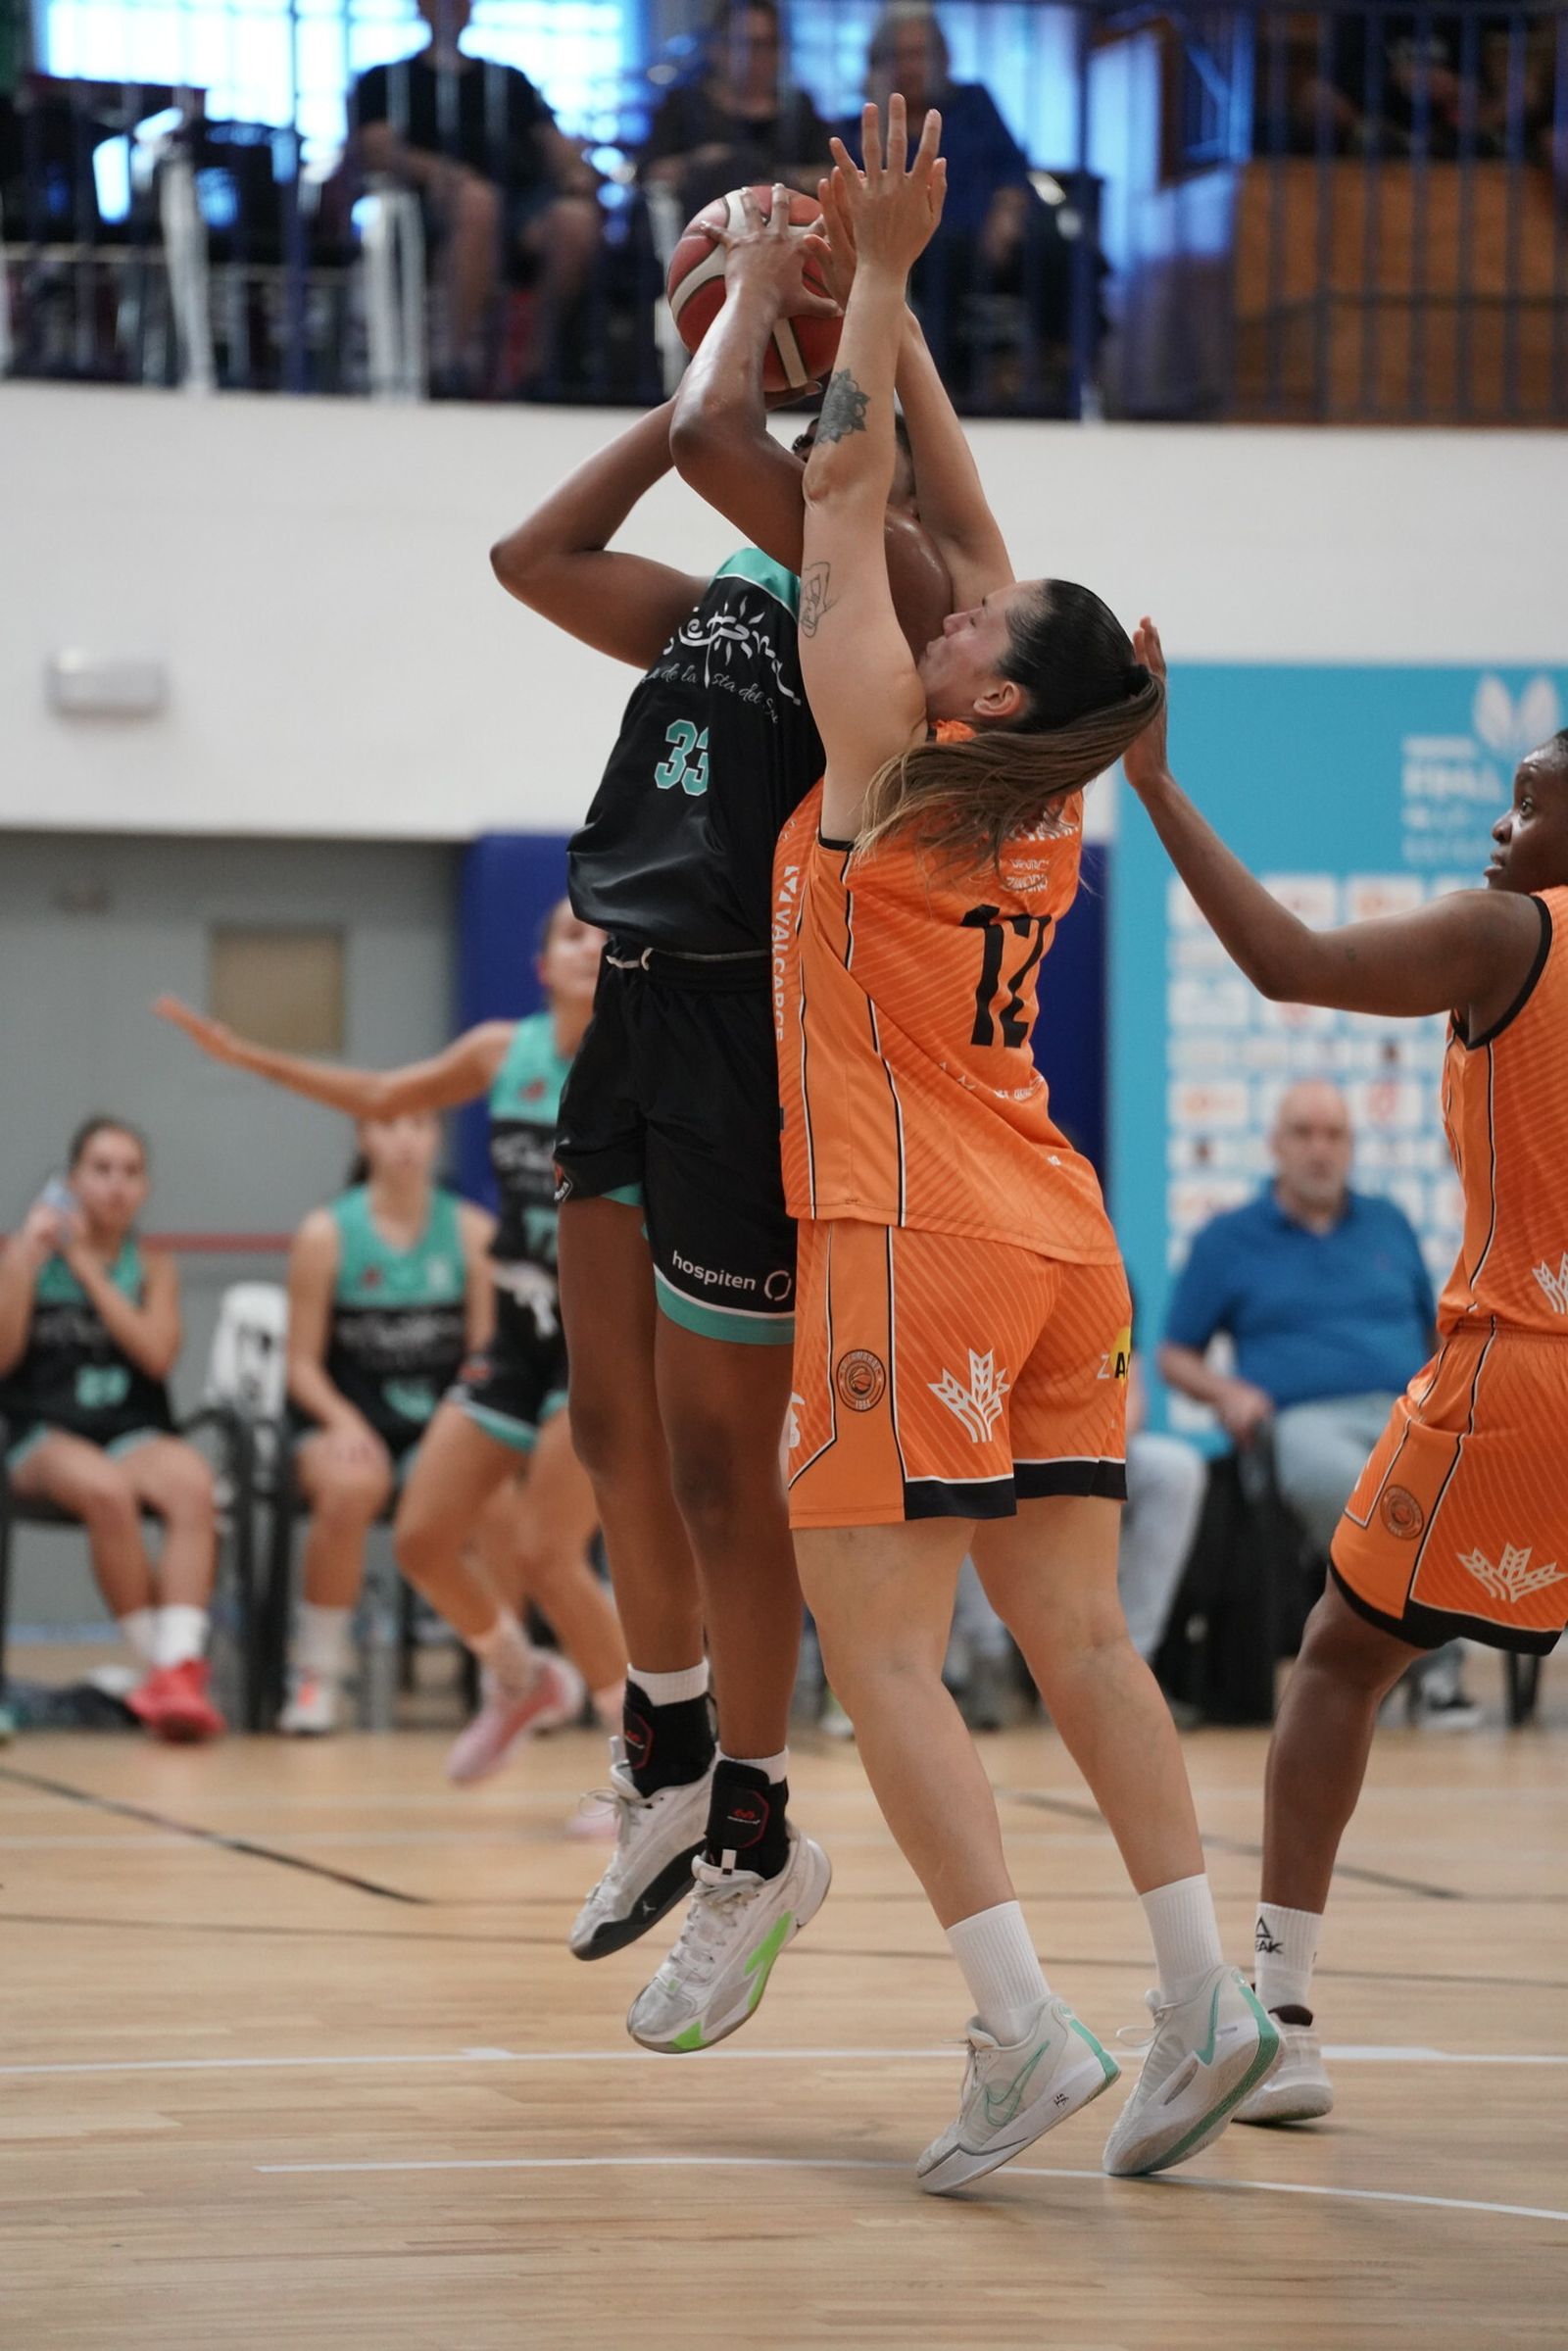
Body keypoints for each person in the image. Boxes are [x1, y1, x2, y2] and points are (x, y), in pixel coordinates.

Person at [772, 100, 1278, 2190]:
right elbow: (962, 511)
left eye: (977, 619)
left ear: (982, 688)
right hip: (1058, 1235)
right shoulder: (1040, 775)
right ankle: (1199, 1995)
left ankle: (1014, 2025)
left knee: (879, 1644)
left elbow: (848, 483)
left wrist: (872, 292)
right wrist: (883, 268)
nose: (950, 606)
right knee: (1070, 1634)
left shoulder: (891, 758)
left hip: (913, 1226)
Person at [490, 198, 952, 2042]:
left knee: (711, 1465)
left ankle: (757, 1833)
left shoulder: (890, 585)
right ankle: (666, 1747)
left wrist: (757, 305)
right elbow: (534, 551)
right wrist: (723, 327)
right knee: (602, 1417)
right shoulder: (716, 603)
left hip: (756, 1045)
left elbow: (710, 442)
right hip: (628, 1000)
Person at [1122, 630, 1568, 2128]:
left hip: (1520, 1372)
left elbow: (1293, 963)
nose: (1500, 826)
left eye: (1528, 801)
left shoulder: (1513, 937)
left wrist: (1159, 785)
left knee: (1339, 1656)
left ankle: (1284, 2012)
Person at [155, 902, 626, 1790]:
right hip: (522, 1333)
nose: (589, 945)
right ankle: (521, 1680)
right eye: (569, 932)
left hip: (600, 1334)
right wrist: (250, 1058)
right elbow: (379, 1095)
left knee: (545, 1551)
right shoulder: (500, 1051)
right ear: (541, 965)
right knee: (422, 1538)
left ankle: (645, 1764)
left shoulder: (646, 1053)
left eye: (605, 934)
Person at [1158, 1079, 1479, 1726]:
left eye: (1333, 1134)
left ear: (1352, 1147)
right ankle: (1431, 1667)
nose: (1319, 1149)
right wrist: (1230, 1391)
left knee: (1456, 1481)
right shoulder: (1230, 1238)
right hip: (1299, 1419)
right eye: (1303, 1133)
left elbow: (1432, 1333)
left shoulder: (1387, 1223)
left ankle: (1405, 1661)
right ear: (1275, 1145)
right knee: (1358, 1488)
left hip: (1408, 1410)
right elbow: (1174, 1354)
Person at [0, 1118, 223, 1741]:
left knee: (192, 1483)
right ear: (72, 1181)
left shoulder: (153, 1265)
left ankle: (178, 1668)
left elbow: (157, 1355)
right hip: (43, 1432)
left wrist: (89, 1270)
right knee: (106, 1492)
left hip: (130, 1428)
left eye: (129, 1172)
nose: (115, 1185)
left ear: (145, 1187)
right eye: (100, 1170)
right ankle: (160, 1667)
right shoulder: (25, 1255)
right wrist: (27, 1261)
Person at [277, 1112, 493, 1734]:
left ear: (436, 1138)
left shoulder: (474, 1233)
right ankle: (318, 1673)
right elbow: (300, 1367)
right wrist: (344, 1422)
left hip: (442, 1421)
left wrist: (455, 1431)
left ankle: (504, 1674)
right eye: (386, 1124)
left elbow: (485, 1361)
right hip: (347, 1421)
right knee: (350, 1487)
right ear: (361, 1138)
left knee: (496, 1490)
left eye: (419, 1124)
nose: (404, 1138)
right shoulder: (325, 1235)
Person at [350, 0, 602, 394]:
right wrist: (438, 171)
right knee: (477, 203)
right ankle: (453, 367)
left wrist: (576, 172)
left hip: (520, 204)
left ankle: (530, 371)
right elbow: (376, 147)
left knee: (575, 222)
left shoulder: (509, 80)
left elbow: (553, 143)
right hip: (427, 207)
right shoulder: (386, 80)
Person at [841, 6, 1078, 402]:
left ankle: (1059, 372)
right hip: (926, 249)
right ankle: (941, 391)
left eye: (920, 54)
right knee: (938, 263)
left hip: (995, 241)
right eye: (899, 56)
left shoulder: (973, 103)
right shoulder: (863, 126)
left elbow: (1012, 169)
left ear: (942, 58)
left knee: (1062, 253)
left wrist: (1005, 214)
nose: (911, 66)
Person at [639, 0, 830, 225]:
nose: (752, 57)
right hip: (701, 235)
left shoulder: (797, 109)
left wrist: (777, 182)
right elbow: (651, 175)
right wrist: (700, 163)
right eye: (742, 45)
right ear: (716, 47)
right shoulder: (685, 104)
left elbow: (828, 175)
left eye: (765, 45)